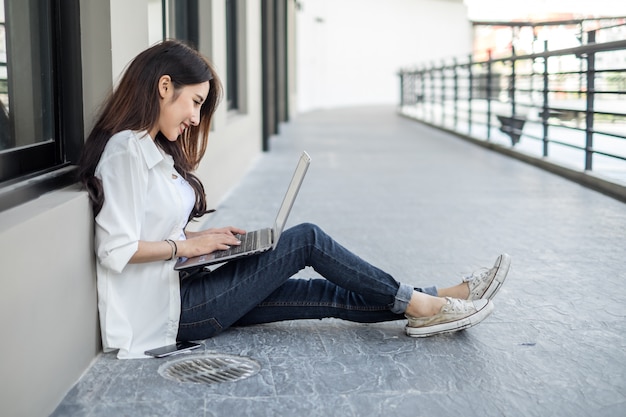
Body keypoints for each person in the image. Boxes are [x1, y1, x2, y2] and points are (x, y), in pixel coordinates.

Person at [78, 40, 511, 359]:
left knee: (322, 295)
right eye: (194, 103)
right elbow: (116, 249)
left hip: (185, 290)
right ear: (164, 85)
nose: (194, 118)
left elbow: (147, 225)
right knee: (306, 240)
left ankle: (443, 297)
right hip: (172, 312)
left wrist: (200, 237)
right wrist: (187, 246)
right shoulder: (125, 150)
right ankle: (424, 305)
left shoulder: (151, 149)